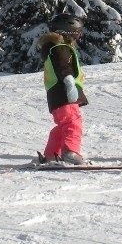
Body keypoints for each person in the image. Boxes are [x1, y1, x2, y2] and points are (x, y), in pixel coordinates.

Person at [39, 13, 89, 165]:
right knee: (73, 122)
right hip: (64, 92)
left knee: (62, 126)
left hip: (55, 94)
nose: (79, 35)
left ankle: (51, 155)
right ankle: (70, 152)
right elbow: (63, 67)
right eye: (78, 32)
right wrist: (69, 82)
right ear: (69, 31)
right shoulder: (60, 48)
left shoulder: (54, 48)